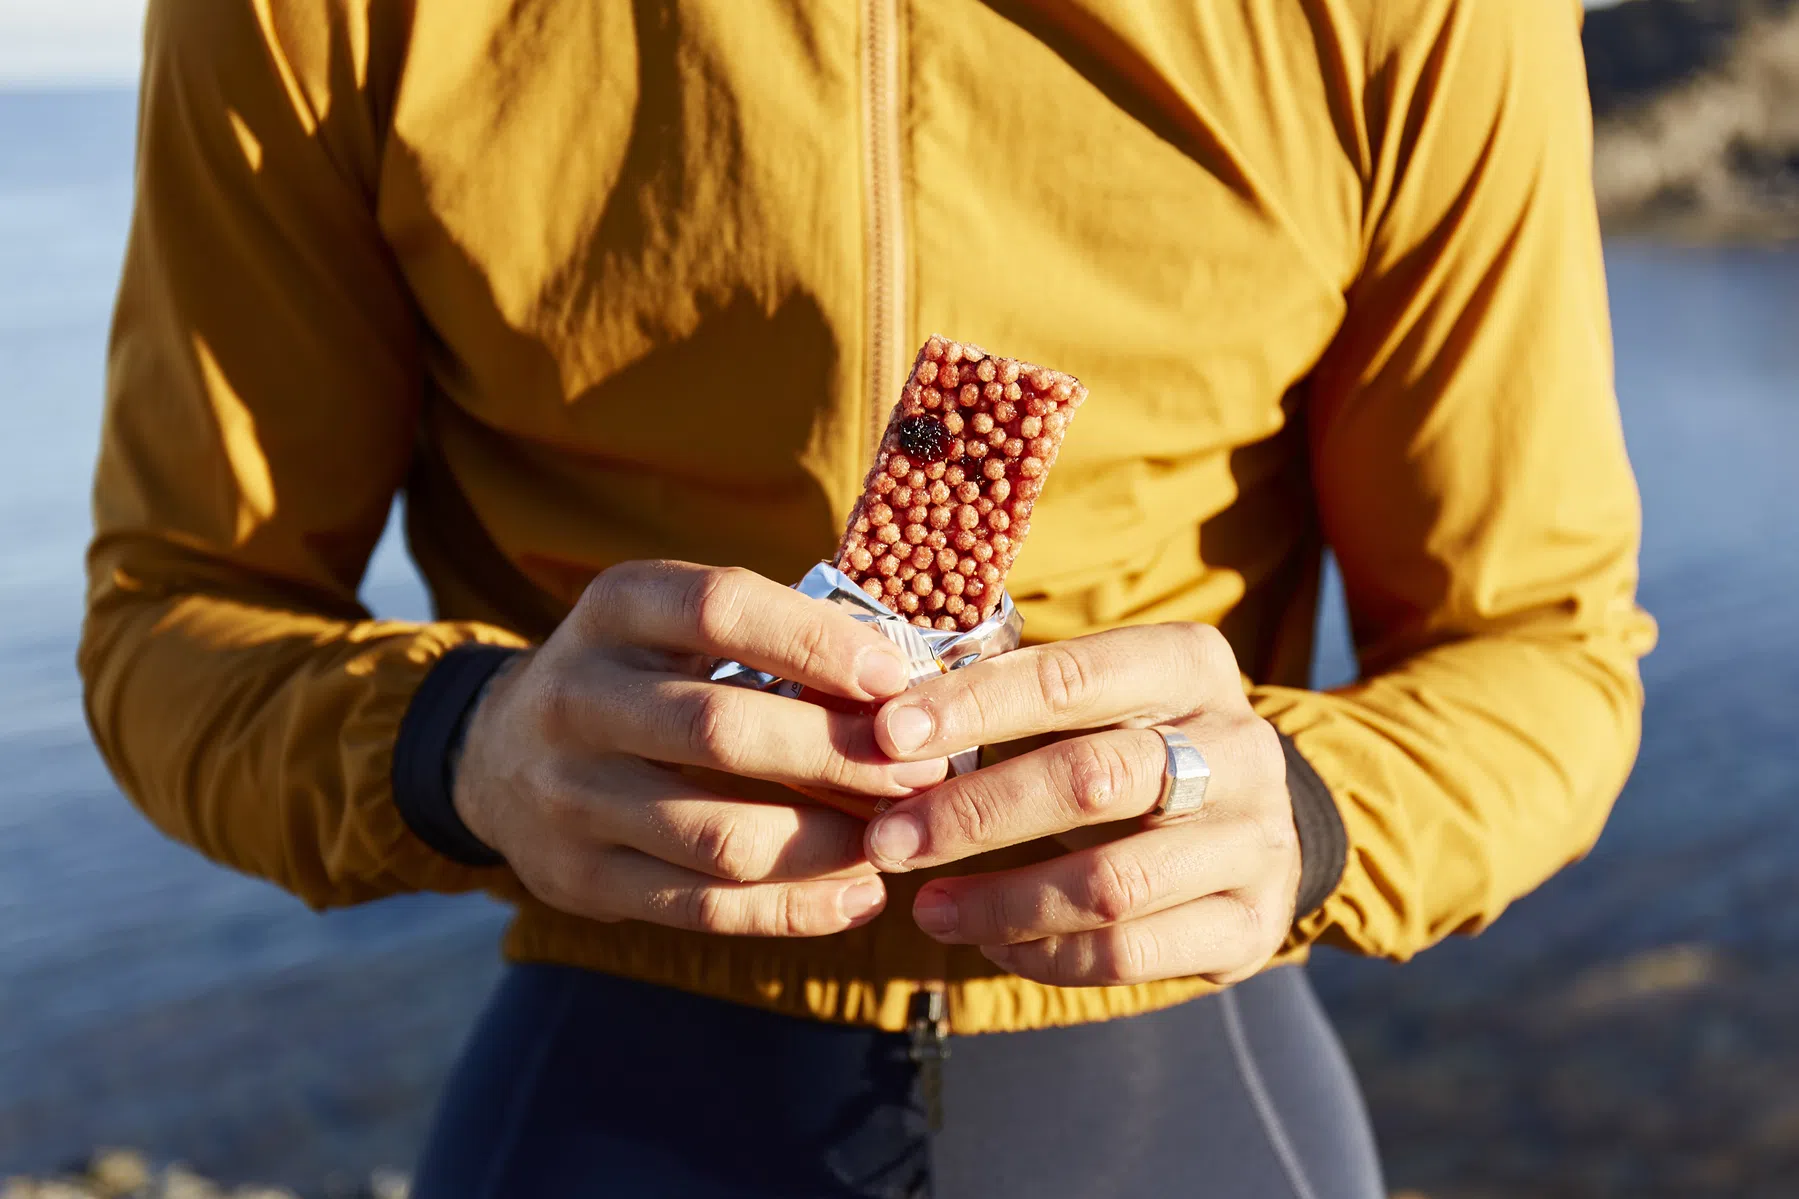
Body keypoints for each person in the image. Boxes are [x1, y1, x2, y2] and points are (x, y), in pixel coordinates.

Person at [81, 0, 1654, 1195]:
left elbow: (1538, 648)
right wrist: (463, 746)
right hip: (609, 1082)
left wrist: (1308, 807)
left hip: (1181, 1076)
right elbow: (176, 612)